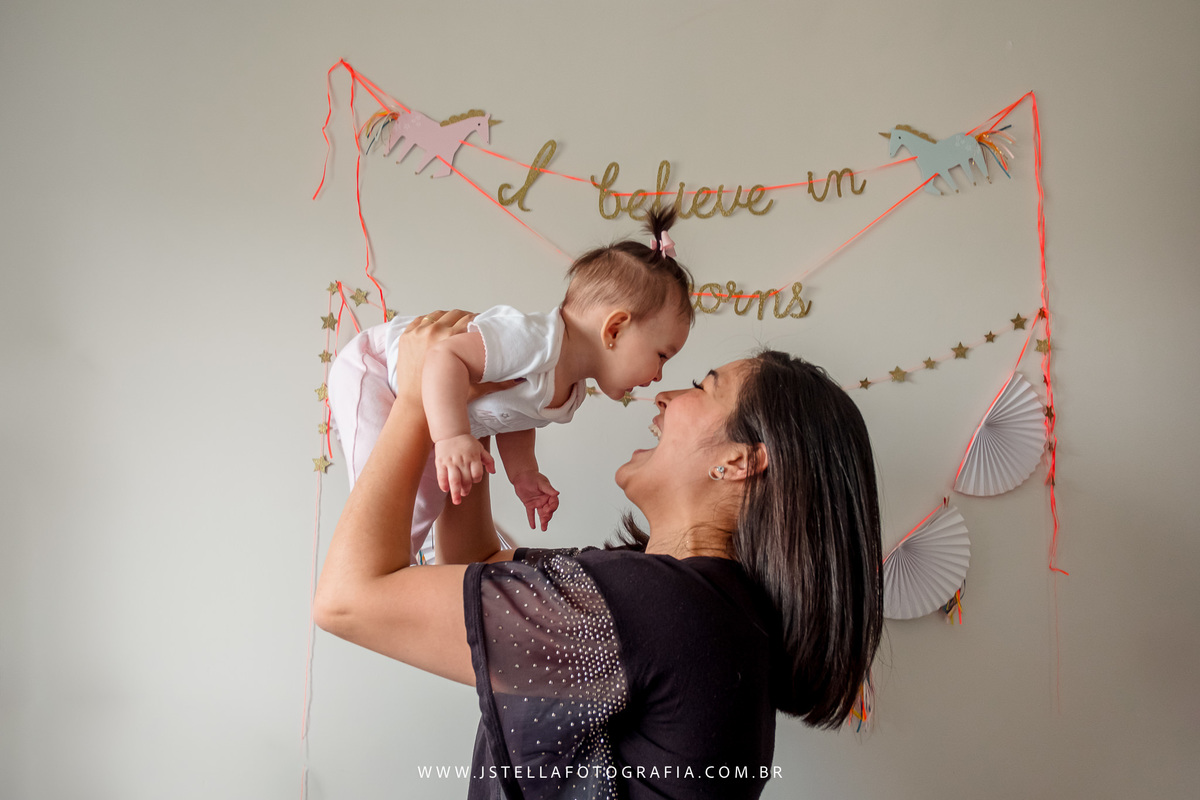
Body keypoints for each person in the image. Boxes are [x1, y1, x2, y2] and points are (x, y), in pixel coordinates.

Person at [314, 311, 884, 800]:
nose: (664, 394)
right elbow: (477, 560)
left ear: (738, 462)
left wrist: (416, 398)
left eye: (702, 387)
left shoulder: (658, 605)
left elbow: (346, 600)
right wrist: (466, 419)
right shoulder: (697, 606)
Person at [326, 210, 693, 564]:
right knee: (389, 499)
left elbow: (515, 415)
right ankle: (375, 570)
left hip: (421, 401)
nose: (659, 376)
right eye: (662, 355)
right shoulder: (533, 339)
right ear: (614, 329)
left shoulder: (572, 391)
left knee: (426, 502)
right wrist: (453, 436)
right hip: (376, 370)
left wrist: (524, 474)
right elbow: (442, 357)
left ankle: (393, 574)